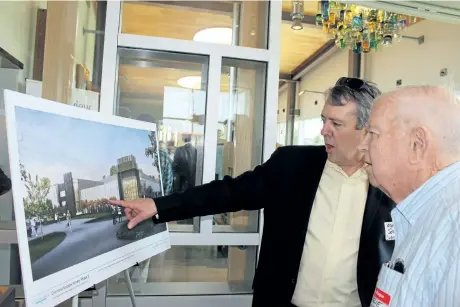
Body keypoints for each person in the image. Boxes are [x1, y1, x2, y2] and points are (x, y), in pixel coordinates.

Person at [110, 77, 395, 307]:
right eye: (324, 120)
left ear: (366, 130)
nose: (324, 131)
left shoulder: (390, 185)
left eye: (336, 124)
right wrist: (158, 205)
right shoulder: (293, 165)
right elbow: (227, 193)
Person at [359, 85, 460, 307]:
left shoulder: (454, 229)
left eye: (373, 134)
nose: (362, 146)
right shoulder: (422, 214)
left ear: (417, 144)